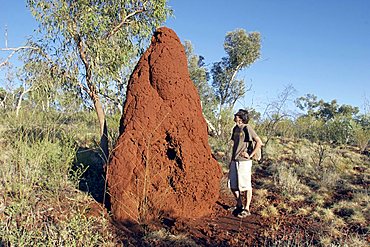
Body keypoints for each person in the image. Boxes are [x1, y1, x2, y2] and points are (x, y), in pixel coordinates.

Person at [228, 109, 263, 218]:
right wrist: (232, 159)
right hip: (235, 160)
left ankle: (247, 209)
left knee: (246, 185)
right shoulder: (235, 129)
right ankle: (239, 205)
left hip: (244, 162)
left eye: (237, 115)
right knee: (232, 185)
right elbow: (235, 145)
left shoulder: (247, 128)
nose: (235, 116)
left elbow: (259, 142)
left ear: (241, 118)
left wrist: (250, 155)